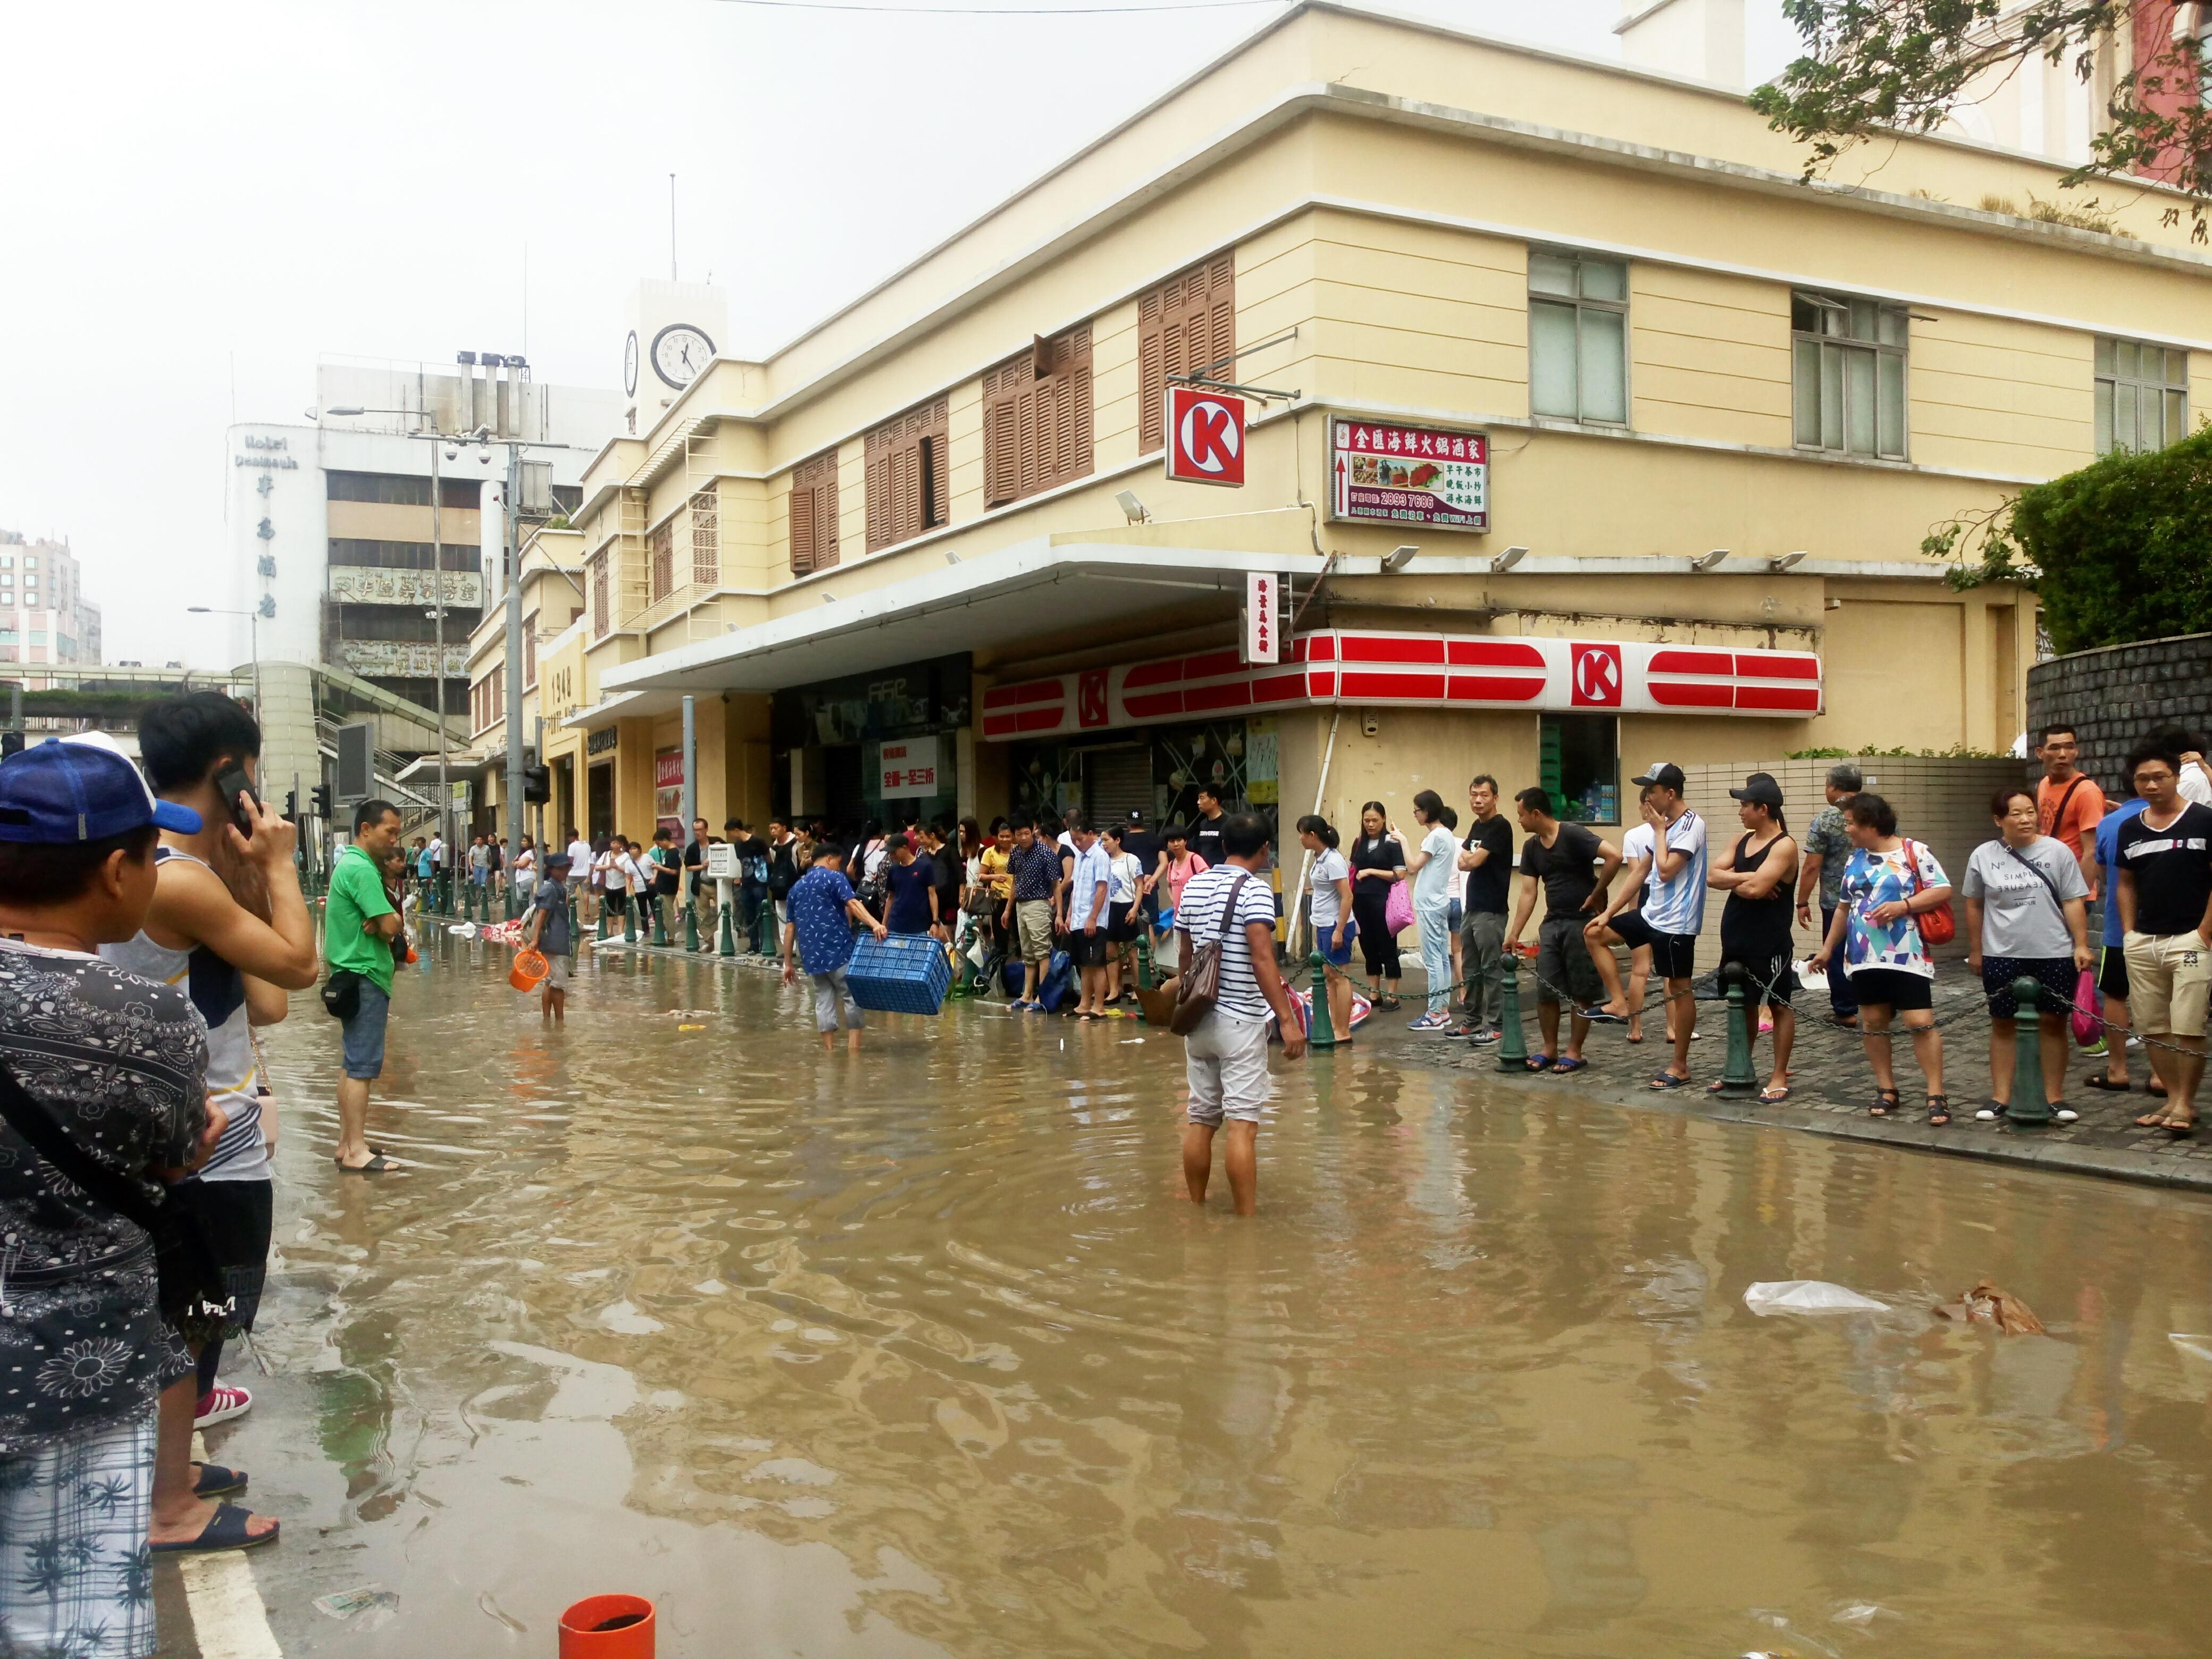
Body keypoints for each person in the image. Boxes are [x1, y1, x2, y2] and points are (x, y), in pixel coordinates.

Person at [0, 735, 257, 1649]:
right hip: (78, 1375)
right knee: (72, 1625)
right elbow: (179, 1154)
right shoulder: (146, 1018)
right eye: (155, 855)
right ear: (116, 872)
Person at [104, 698, 317, 1553]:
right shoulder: (178, 878)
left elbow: (266, 1003)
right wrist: (283, 864)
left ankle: (176, 1475)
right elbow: (300, 968)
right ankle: (169, 1509)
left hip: (215, 1126)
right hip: (201, 1139)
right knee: (194, 1318)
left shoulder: (182, 874)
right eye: (252, 775)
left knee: (200, 1318)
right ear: (232, 771)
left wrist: (249, 877)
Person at [1174, 812, 1306, 1216]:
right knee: (1242, 1125)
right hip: (1241, 1021)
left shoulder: (1194, 886)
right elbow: (1263, 959)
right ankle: (1246, 1224)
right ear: (1265, 849)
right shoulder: (1256, 891)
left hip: (1198, 1020)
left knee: (1201, 1119)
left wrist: (1188, 1001)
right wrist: (1288, 1020)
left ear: (1225, 846)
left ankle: (1196, 1210)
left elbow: (1184, 955)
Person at [1811, 792, 1954, 1125]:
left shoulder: (1914, 851)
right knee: (1873, 1023)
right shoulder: (1854, 859)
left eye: (1850, 823)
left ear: (1871, 824)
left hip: (1907, 952)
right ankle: (1886, 1088)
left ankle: (1936, 1092)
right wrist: (1828, 948)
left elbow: (1942, 889)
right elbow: (1844, 908)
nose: (1846, 830)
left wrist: (1903, 906)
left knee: (1920, 1022)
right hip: (1863, 955)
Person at [1963, 785, 2092, 1122]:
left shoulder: (2059, 851)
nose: (2025, 819)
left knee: (2053, 1023)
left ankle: (2055, 1097)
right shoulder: (1983, 855)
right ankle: (2000, 1096)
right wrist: (1977, 950)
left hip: (2053, 951)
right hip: (2002, 951)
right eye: (2016, 814)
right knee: (2003, 1024)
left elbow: (2073, 900)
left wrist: (2080, 944)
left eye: (2030, 812)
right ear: (1999, 820)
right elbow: (1975, 904)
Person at [2114, 741, 2212, 1136]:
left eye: (2159, 777)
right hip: (2145, 942)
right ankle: (2171, 1098)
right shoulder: (2130, 828)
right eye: (2143, 779)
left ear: (2176, 777)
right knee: (2153, 1026)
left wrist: (2204, 932)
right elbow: (2124, 882)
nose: (2152, 785)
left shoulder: (2204, 820)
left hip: (2191, 941)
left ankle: (2186, 1103)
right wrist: (2128, 933)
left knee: (2188, 1025)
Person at [1594, 764, 1707, 1090]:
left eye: (1652, 791)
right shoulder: (1667, 826)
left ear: (1669, 794)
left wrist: (1658, 831)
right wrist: (1608, 912)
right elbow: (1640, 873)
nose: (1646, 797)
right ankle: (1619, 1003)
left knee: (1680, 986)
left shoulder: (1690, 825)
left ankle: (1680, 1065)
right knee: (1594, 934)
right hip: (1650, 914)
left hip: (1677, 923)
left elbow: (1667, 870)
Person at [1507, 787, 1617, 1074]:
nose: (1519, 821)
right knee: (1547, 989)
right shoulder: (1532, 848)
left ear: (1536, 814)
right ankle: (1549, 1048)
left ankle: (1575, 1051)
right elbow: (1528, 892)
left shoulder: (1573, 834)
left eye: (1521, 815)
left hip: (1581, 923)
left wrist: (1598, 893)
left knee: (1581, 990)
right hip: (1553, 923)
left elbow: (1614, 856)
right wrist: (1514, 933)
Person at [1706, 772, 1800, 1104]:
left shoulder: (1785, 845)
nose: (1741, 811)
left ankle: (1779, 1074)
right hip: (1736, 938)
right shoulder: (1740, 840)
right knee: (1742, 1004)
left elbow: (1760, 890)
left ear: (1764, 809)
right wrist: (1746, 876)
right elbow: (1712, 877)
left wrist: (1739, 880)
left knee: (1778, 1005)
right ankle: (1739, 1065)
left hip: (1770, 941)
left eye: (1745, 805)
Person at [330, 800, 406, 1171]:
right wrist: (386, 921)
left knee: (351, 1062)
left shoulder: (349, 864)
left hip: (350, 974)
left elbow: (387, 920)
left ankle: (347, 1143)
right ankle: (357, 1150)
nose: (395, 839)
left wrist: (383, 921)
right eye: (389, 831)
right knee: (362, 1066)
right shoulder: (361, 869)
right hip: (365, 976)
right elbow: (393, 924)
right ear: (365, 829)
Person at [780, 843, 886, 1053]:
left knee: (823, 1000)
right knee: (852, 997)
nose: (839, 867)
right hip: (838, 950)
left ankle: (829, 1052)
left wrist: (788, 963)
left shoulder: (796, 888)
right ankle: (853, 1052)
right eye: (838, 862)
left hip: (811, 956)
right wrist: (875, 924)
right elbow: (853, 904)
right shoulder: (834, 878)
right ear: (829, 859)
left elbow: (789, 929)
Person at [2083, 783, 2154, 1096]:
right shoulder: (2181, 817)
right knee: (2163, 999)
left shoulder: (2110, 823)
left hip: (2118, 929)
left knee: (2115, 995)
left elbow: (2101, 873)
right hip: (2167, 927)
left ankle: (2118, 1070)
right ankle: (2161, 1076)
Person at [1586, 785, 1667, 1046]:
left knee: (1640, 971)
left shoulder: (1635, 835)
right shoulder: (1675, 830)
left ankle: (1635, 1027)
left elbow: (1637, 875)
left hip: (1645, 899)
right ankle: (1674, 1028)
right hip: (1669, 900)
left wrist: (1631, 913)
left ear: (1646, 805)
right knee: (1671, 972)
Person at [1795, 763, 1863, 1030]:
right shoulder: (1876, 811)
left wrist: (1802, 901)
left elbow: (1812, 865)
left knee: (1836, 954)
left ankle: (1846, 1010)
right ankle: (1880, 1004)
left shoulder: (1826, 819)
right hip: (1874, 899)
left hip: (1836, 901)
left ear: (1833, 787)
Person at [1453, 775, 1512, 1045]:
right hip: (1472, 907)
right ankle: (1472, 1021)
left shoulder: (1500, 827)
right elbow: (1462, 859)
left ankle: (1498, 1024)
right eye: (1474, 794)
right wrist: (1470, 859)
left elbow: (1473, 860)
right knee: (1471, 967)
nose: (1478, 800)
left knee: (1491, 968)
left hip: (1491, 909)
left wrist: (1471, 859)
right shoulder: (1477, 825)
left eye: (1484, 795)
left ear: (1495, 798)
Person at [1401, 789, 1461, 1030]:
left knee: (1434, 959)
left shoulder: (1435, 836)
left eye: (1416, 811)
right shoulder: (1446, 834)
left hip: (1430, 904)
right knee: (1442, 959)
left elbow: (1413, 866)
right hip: (1439, 901)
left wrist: (1402, 840)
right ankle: (1442, 1010)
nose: (1415, 815)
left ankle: (1435, 1013)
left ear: (1427, 811)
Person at [1300, 814, 1356, 1043]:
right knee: (1328, 976)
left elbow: (1347, 896)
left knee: (1340, 977)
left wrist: (1339, 930)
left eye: (1302, 834)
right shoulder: (1319, 858)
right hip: (1322, 923)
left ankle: (1343, 1029)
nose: (1301, 839)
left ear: (1312, 835)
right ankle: (1334, 1025)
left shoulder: (1333, 860)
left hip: (1335, 924)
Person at [1347, 802, 1407, 1010]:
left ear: (1383, 819)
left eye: (1375, 820)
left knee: (1388, 947)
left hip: (1384, 900)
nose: (1371, 824)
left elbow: (1399, 874)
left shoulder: (1392, 842)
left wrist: (1372, 871)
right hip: (1361, 900)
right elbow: (1353, 870)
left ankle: (1392, 995)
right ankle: (1374, 993)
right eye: (1367, 820)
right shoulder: (1359, 842)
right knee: (1368, 946)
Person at [1003, 818, 1061, 1010]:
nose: (1023, 837)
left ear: (1033, 830)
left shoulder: (1045, 853)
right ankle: (1027, 995)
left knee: (1042, 952)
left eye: (1027, 833)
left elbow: (1056, 885)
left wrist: (1059, 913)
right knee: (1028, 954)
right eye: (1019, 834)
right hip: (1021, 905)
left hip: (1039, 904)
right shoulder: (1015, 852)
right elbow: (1014, 882)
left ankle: (1042, 997)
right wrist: (1008, 909)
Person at [1061, 814, 1112, 1018]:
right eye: (1074, 840)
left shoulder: (1100, 857)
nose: (1077, 843)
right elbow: (1076, 889)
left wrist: (1092, 918)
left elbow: (1101, 890)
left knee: (1096, 964)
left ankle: (1098, 1007)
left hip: (1095, 920)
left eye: (1080, 839)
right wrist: (1069, 916)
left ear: (1091, 835)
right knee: (1083, 964)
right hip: (1078, 920)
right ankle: (1084, 1004)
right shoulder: (1080, 857)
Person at [2034, 726, 2106, 863]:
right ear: (2040, 753)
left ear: (2076, 751)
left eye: (2069, 747)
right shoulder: (2044, 784)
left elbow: (2091, 852)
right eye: (2054, 748)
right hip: (2049, 873)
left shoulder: (2086, 792)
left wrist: (2080, 885)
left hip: (2073, 877)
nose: (2062, 754)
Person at [523, 850, 574, 1024]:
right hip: (555, 942)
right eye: (562, 869)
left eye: (567, 868)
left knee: (549, 981)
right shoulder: (550, 889)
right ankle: (559, 1022)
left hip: (553, 941)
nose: (565, 872)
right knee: (558, 986)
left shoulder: (558, 889)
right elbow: (541, 917)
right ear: (552, 870)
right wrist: (536, 940)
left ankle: (547, 1021)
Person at [1101, 823, 1146, 1004]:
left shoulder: (1131, 860)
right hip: (1109, 908)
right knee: (1111, 952)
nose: (1103, 844)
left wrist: (1135, 908)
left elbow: (1140, 886)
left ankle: (1138, 990)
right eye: (1102, 840)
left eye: (1106, 840)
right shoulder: (1102, 860)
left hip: (1127, 907)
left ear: (1117, 840)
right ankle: (1114, 990)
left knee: (1132, 953)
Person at [1152, 824, 1209, 965]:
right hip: (1178, 918)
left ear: (1186, 841)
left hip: (1197, 918)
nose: (1176, 844)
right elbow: (1170, 887)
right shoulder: (1171, 864)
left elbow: (1208, 881)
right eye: (1172, 841)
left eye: (1179, 840)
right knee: (1182, 957)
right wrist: (1174, 900)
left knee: (1199, 956)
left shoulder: (1195, 860)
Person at [882, 834, 939, 937]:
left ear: (904, 848)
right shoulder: (894, 869)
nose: (891, 856)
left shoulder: (925, 867)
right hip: (896, 925)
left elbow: (932, 894)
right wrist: (884, 923)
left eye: (893, 852)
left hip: (919, 926)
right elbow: (891, 897)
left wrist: (935, 922)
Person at [1189, 786, 1229, 869]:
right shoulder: (1202, 824)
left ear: (1214, 800)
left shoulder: (1228, 824)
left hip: (1222, 872)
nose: (1198, 802)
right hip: (1204, 871)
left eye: (1202, 798)